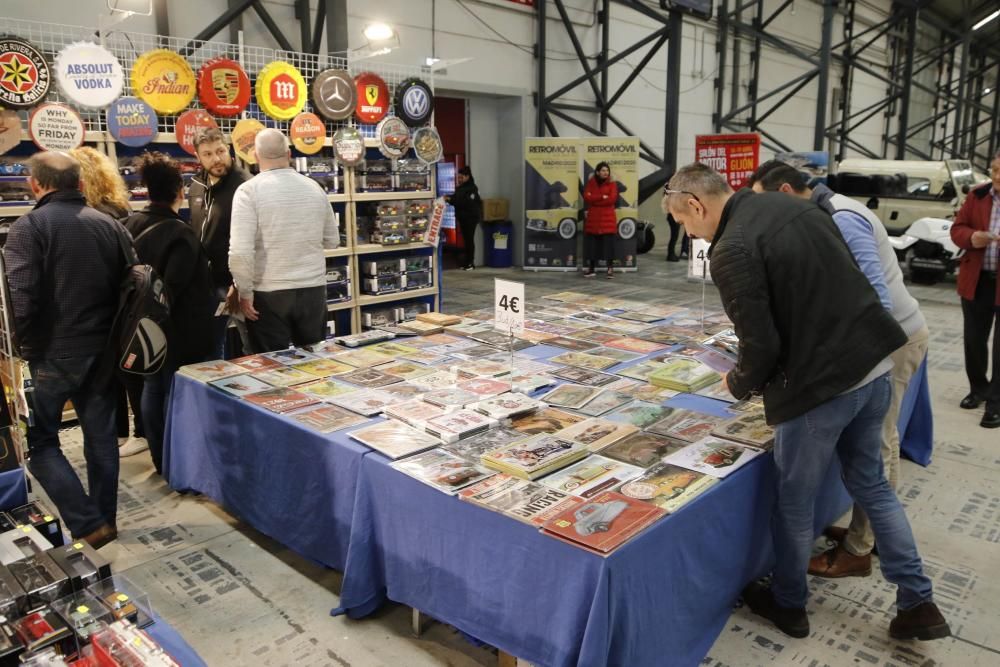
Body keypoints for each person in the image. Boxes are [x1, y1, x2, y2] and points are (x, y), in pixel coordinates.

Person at [663, 162, 949, 642]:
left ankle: (789, 604)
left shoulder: (730, 249)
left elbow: (762, 345)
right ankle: (919, 601)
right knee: (873, 486)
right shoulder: (791, 204)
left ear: (696, 204)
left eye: (684, 223)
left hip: (821, 388)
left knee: (794, 501)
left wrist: (736, 384)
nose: (689, 233)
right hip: (874, 364)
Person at [749, 160, 931, 577]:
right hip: (879, 343)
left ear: (785, 194)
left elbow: (876, 302)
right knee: (874, 449)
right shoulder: (825, 213)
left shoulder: (843, 218)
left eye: (762, 206)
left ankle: (861, 547)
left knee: (879, 448)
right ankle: (873, 535)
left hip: (891, 342)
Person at [5, 152, 125, 549]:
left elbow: (19, 298)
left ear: (37, 184)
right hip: (105, 352)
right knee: (102, 439)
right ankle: (104, 520)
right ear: (79, 182)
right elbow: (134, 286)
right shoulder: (109, 225)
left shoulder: (30, 227)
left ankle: (89, 523)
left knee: (39, 443)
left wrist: (12, 347)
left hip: (53, 353)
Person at [123, 153, 215, 476]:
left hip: (140, 328)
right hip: (179, 331)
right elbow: (177, 287)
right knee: (178, 394)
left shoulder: (128, 224)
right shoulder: (181, 233)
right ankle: (180, 461)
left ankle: (161, 460)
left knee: (152, 387)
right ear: (179, 190)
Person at [229, 129, 339, 353]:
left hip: (269, 293)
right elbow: (332, 240)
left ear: (256, 157)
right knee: (314, 365)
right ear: (289, 154)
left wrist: (245, 293)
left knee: (272, 370)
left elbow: (240, 253)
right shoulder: (314, 188)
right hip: (312, 290)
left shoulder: (248, 191)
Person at [69, 146, 147, 457]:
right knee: (120, 371)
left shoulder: (96, 215)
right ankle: (126, 431)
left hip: (111, 304)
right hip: (121, 302)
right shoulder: (118, 208)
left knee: (125, 372)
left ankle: (137, 431)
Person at [188, 128, 250, 359]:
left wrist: (240, 282)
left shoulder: (245, 186)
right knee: (210, 351)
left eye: (220, 151)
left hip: (240, 284)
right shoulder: (196, 186)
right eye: (208, 154)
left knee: (253, 348)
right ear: (198, 157)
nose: (216, 159)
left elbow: (255, 240)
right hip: (207, 284)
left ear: (229, 150)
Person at [950, 150, 1000, 429]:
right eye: (993, 170)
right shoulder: (978, 195)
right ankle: (978, 389)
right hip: (977, 279)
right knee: (974, 340)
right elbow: (957, 228)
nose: (996, 177)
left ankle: (996, 403)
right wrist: (972, 237)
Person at [582, 162, 619, 278]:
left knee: (609, 246)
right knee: (592, 246)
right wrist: (602, 197)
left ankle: (610, 269)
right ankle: (591, 269)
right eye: (603, 170)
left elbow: (612, 199)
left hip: (607, 219)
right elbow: (587, 197)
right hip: (594, 219)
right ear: (597, 172)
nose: (605, 173)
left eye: (607, 170)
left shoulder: (612, 184)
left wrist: (595, 199)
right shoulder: (591, 183)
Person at [446, 166, 482, 271]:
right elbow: (456, 199)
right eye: (458, 177)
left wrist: (449, 199)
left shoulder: (472, 188)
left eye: (461, 177)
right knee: (466, 240)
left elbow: (464, 202)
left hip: (470, 218)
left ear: (467, 176)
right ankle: (467, 262)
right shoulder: (461, 187)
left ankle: (470, 263)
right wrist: (448, 198)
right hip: (463, 217)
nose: (459, 179)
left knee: (469, 240)